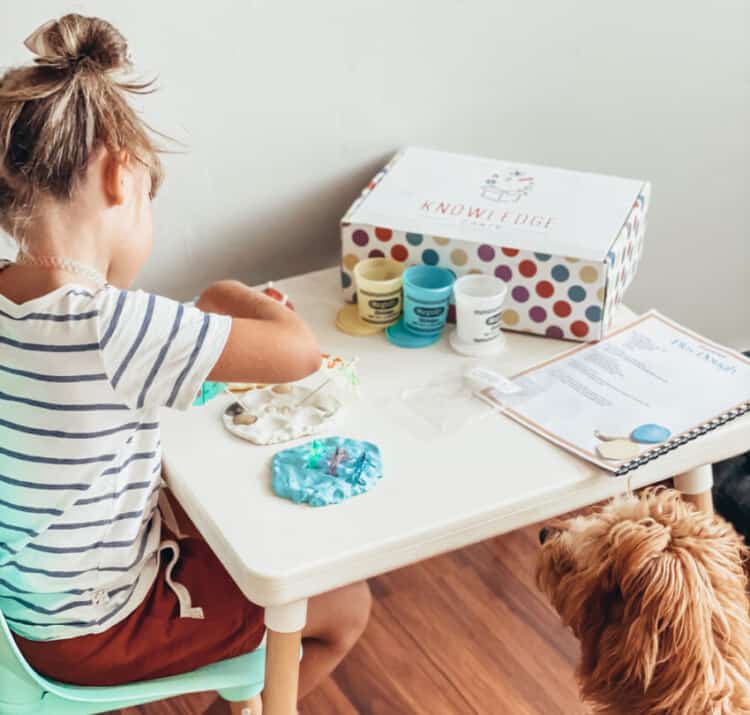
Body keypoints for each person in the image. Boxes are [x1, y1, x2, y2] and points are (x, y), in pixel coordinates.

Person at [0, 14, 371, 714]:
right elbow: (296, 352)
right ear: (119, 178)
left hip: (17, 618)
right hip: (94, 632)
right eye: (149, 201)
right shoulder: (110, 322)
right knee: (346, 605)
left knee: (205, 517)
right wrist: (224, 295)